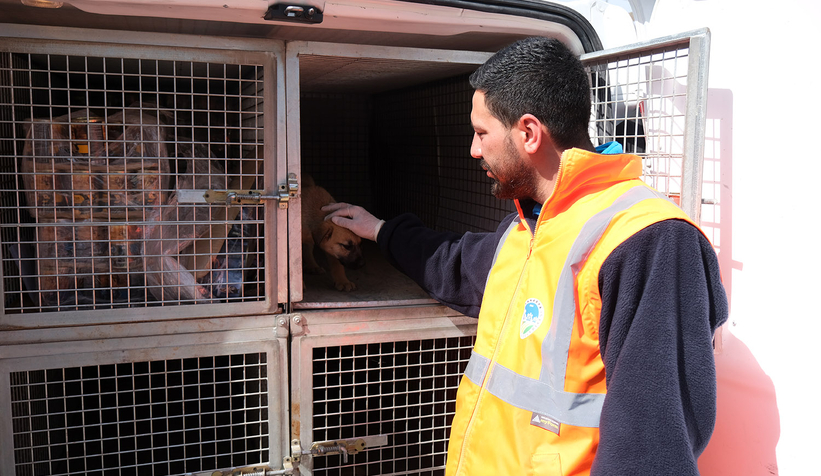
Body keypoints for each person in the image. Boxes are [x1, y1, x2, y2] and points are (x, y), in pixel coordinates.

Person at [323, 36, 728, 476]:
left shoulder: (650, 241)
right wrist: (379, 229)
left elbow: (651, 451)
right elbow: (454, 264)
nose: (474, 150)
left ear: (529, 133)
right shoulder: (528, 229)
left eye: (482, 133)